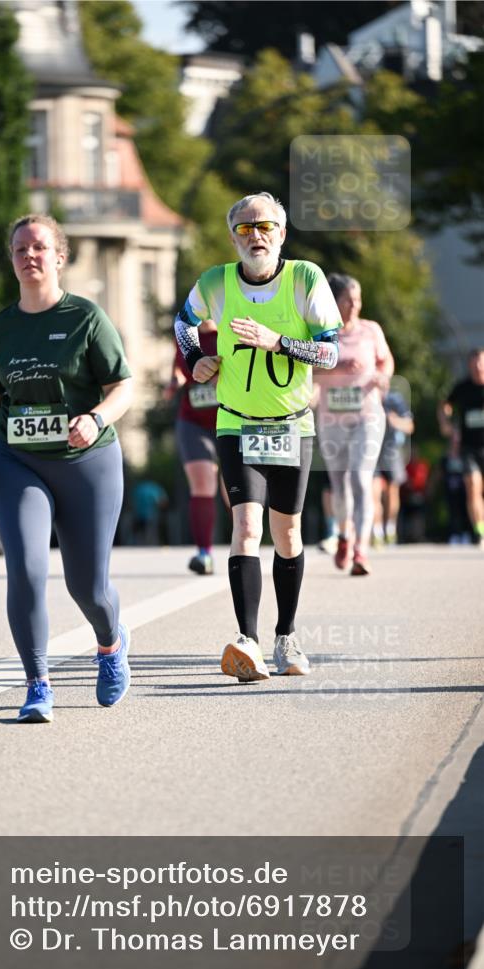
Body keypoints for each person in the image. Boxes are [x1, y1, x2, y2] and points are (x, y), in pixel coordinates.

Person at [0, 214, 134, 722]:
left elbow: (122, 387)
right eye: (19, 249)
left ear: (59, 256)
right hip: (18, 463)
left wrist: (96, 418)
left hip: (88, 461)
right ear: (11, 260)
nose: (29, 256)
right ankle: (38, 684)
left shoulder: (86, 318)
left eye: (38, 247)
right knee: (28, 571)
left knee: (89, 586)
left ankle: (110, 643)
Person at [174, 191, 341, 681]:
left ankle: (285, 637)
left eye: (265, 227)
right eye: (245, 229)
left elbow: (330, 354)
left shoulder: (306, 278)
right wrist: (194, 361)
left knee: (287, 533)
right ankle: (246, 640)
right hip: (236, 422)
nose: (256, 236)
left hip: (292, 425)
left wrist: (278, 342)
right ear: (232, 238)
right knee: (246, 527)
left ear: (282, 234)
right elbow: (184, 324)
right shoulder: (216, 283)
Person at [313, 275, 394, 575]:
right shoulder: (321, 333)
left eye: (358, 299)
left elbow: (386, 361)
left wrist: (382, 376)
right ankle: (344, 535)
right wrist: (337, 365)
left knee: (361, 479)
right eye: (349, 299)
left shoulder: (371, 330)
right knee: (339, 485)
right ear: (334, 302)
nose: (355, 305)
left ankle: (361, 550)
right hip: (332, 418)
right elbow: (306, 368)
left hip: (367, 416)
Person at [163, 320, 227, 575]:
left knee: (235, 490)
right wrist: (174, 382)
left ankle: (245, 547)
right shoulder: (184, 336)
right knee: (202, 485)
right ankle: (204, 553)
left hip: (231, 420)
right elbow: (178, 366)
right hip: (193, 421)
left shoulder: (229, 330)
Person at [438, 348, 484, 546]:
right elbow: (444, 405)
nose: (478, 367)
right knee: (473, 487)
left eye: (481, 362)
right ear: (469, 365)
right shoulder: (462, 387)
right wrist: (446, 424)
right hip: (469, 448)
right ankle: (480, 531)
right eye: (474, 363)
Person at [372, 389, 414, 546]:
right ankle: (377, 532)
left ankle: (390, 528)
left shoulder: (395, 399)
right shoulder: (364, 396)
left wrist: (393, 420)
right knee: (373, 493)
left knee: (392, 491)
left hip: (391, 451)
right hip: (371, 450)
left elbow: (410, 426)